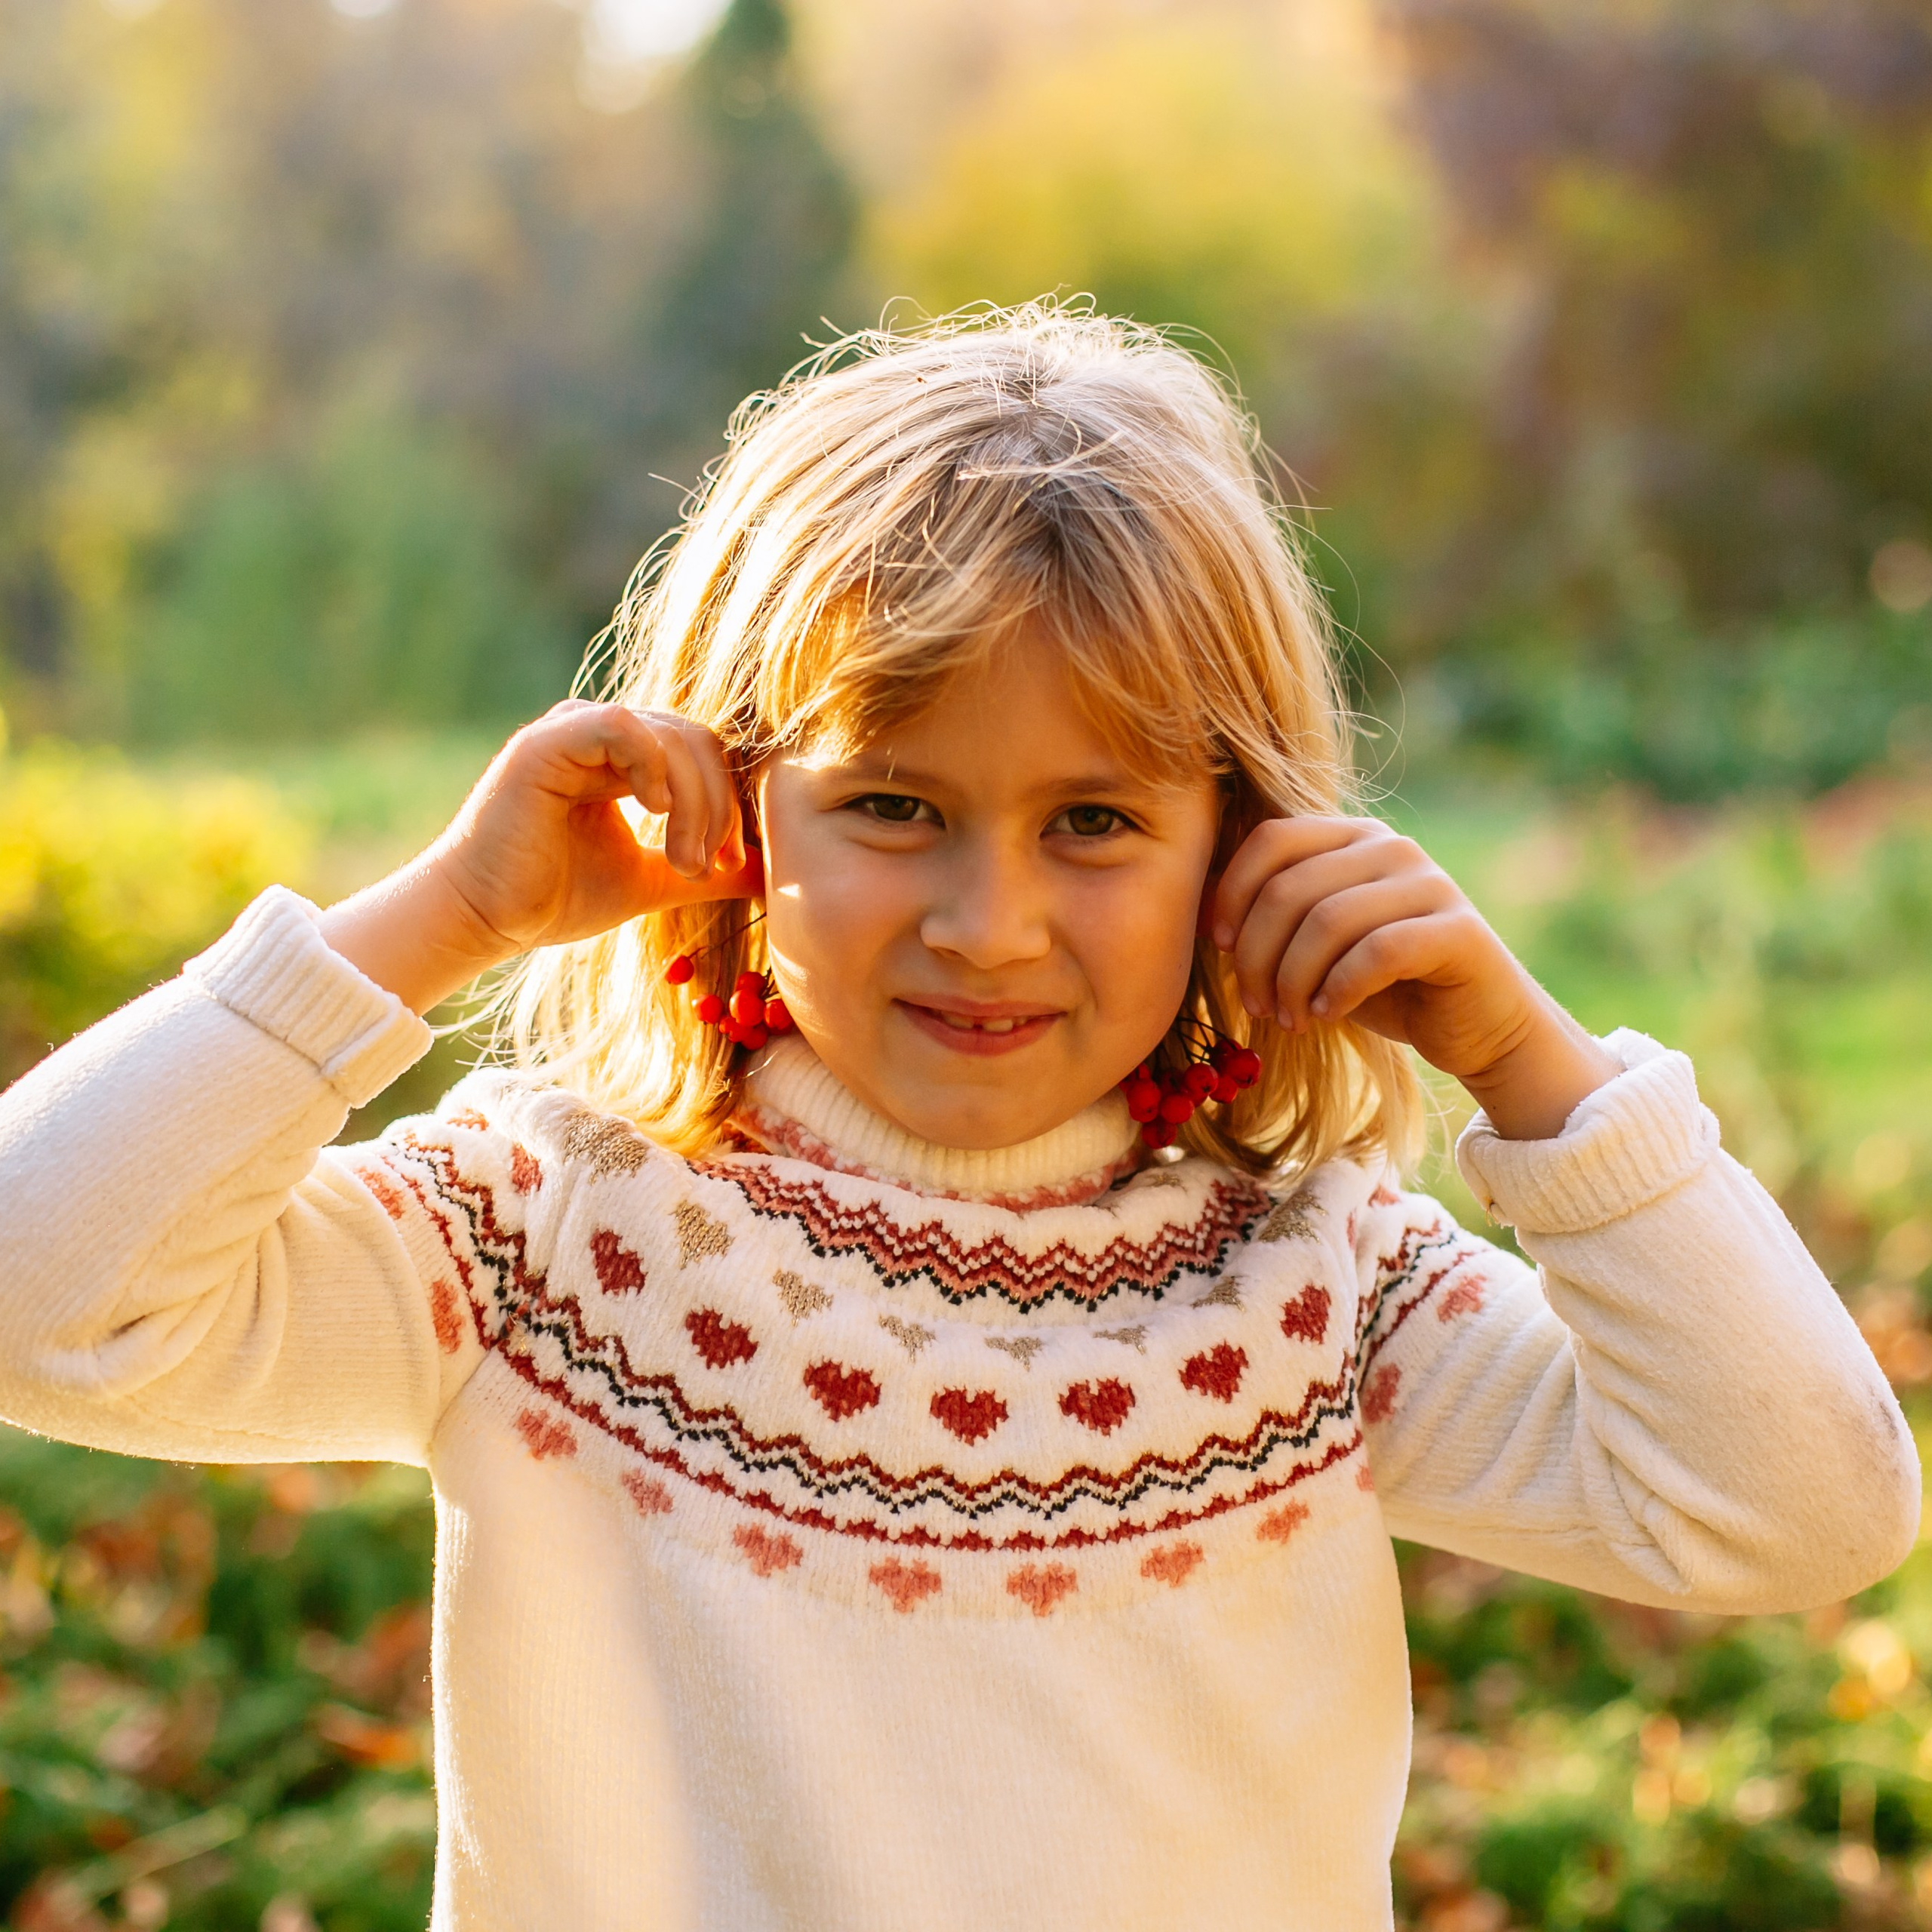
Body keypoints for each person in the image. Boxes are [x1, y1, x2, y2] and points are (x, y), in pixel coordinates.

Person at [0, 306, 1914, 1931]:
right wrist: (441, 918)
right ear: (732, 814)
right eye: (893, 806)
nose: (985, 923)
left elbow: (1798, 1510)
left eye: (1093, 821)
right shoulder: (543, 1239)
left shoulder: (1317, 1287)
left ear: (1241, 848)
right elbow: (42, 1291)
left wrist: (1533, 1067)